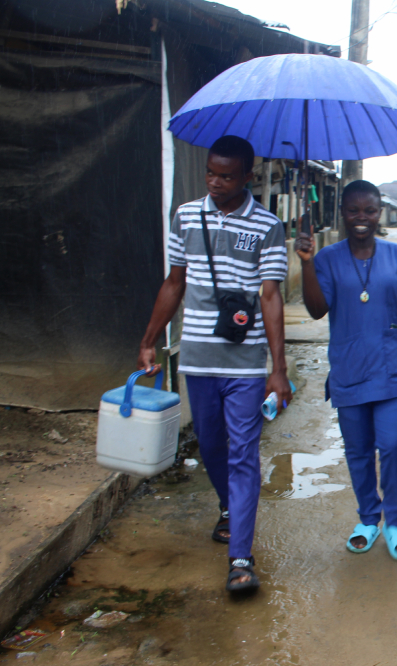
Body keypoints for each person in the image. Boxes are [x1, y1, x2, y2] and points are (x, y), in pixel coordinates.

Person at [137, 135, 291, 593]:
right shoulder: (186, 215)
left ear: (248, 176)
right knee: (210, 444)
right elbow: (174, 282)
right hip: (198, 358)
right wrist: (149, 342)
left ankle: (240, 558)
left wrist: (277, 369)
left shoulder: (267, 226)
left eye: (227, 175)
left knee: (244, 453)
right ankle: (229, 507)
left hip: (245, 363)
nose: (216, 182)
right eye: (210, 172)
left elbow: (270, 295)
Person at [295, 179, 397, 561]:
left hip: (391, 367)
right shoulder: (326, 258)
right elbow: (316, 309)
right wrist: (307, 264)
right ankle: (367, 519)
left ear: (379, 213)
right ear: (342, 213)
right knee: (358, 450)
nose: (362, 218)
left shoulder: (395, 255)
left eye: (370, 211)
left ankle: (394, 521)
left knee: (393, 445)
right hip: (349, 368)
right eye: (353, 210)